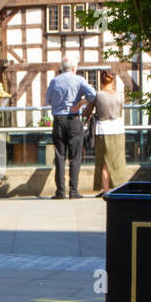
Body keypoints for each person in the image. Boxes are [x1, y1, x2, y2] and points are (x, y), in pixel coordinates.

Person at [45, 56, 96, 199]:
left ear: (63, 68)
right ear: (74, 68)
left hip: (58, 120)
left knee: (60, 156)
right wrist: (81, 103)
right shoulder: (79, 80)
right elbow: (93, 94)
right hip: (73, 119)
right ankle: (73, 190)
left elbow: (48, 100)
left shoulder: (55, 81)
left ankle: (60, 191)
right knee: (75, 156)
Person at [85, 69, 128, 196]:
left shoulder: (98, 95)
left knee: (104, 162)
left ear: (101, 81)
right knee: (118, 161)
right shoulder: (120, 95)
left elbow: (86, 112)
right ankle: (119, 188)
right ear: (112, 80)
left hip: (103, 131)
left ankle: (105, 190)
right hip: (119, 130)